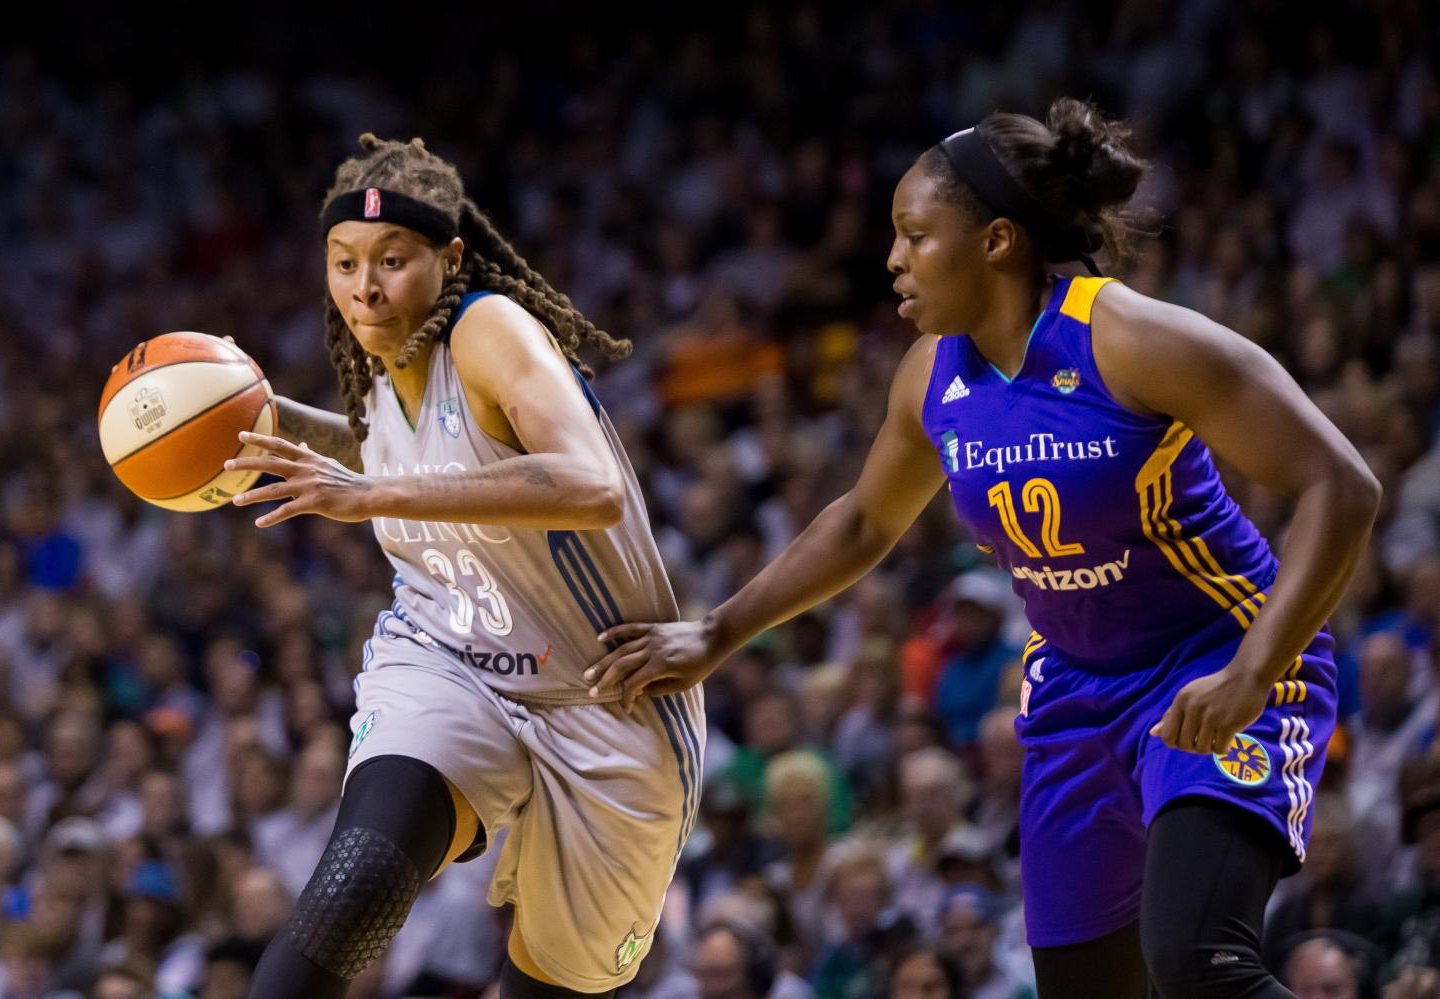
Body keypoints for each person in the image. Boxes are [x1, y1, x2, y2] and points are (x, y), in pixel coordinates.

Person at [585, 98, 1380, 998]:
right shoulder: (931, 372)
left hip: (1217, 661)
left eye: (913, 234)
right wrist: (716, 634)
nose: (891, 258)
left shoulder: (1132, 337)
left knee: (1200, 962)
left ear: (998, 241)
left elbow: (1341, 485)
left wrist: (1252, 672)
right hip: (1075, 690)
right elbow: (864, 521)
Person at [225, 134, 700, 999]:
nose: (364, 286)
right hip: (450, 659)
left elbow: (589, 483)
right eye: (343, 261)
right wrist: (259, 419)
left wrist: (365, 497)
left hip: (608, 696)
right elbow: (397, 453)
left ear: (449, 257)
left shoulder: (488, 327)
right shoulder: (376, 355)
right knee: (344, 900)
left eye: (392, 260)